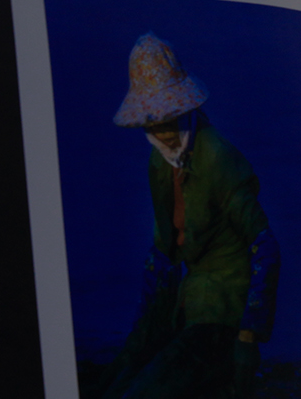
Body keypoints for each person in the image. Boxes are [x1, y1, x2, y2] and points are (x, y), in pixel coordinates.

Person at [92, 33, 280, 399]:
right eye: (153, 122)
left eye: (169, 118)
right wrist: (142, 336)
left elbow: (265, 245)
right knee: (113, 385)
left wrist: (248, 335)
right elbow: (163, 252)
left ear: (183, 110)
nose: (162, 130)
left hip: (222, 314)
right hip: (185, 303)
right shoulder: (159, 161)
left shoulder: (219, 157)